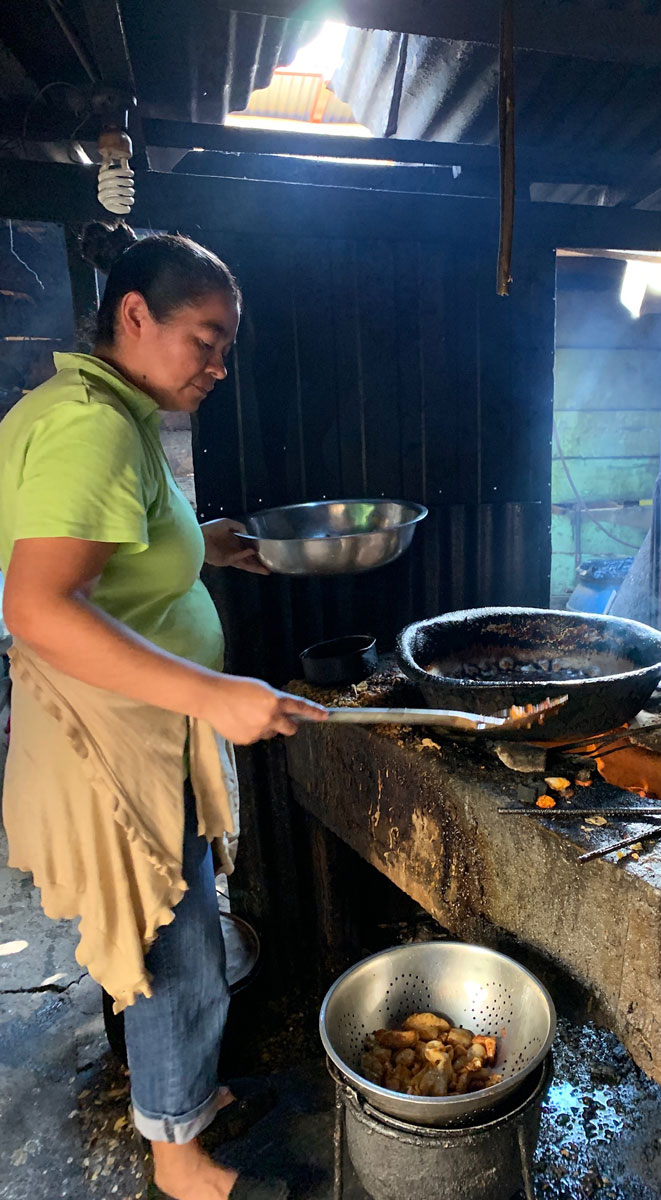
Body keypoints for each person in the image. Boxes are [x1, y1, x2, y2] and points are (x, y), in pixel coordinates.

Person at [0, 222, 325, 1200]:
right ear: (135, 314)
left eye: (227, 348)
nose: (219, 366)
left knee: (174, 928)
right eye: (206, 341)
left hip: (128, 728)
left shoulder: (96, 407)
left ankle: (183, 1099)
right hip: (115, 742)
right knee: (173, 940)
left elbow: (115, 549)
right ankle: (181, 1163)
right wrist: (214, 694)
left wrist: (203, 544)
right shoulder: (94, 427)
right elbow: (37, 606)